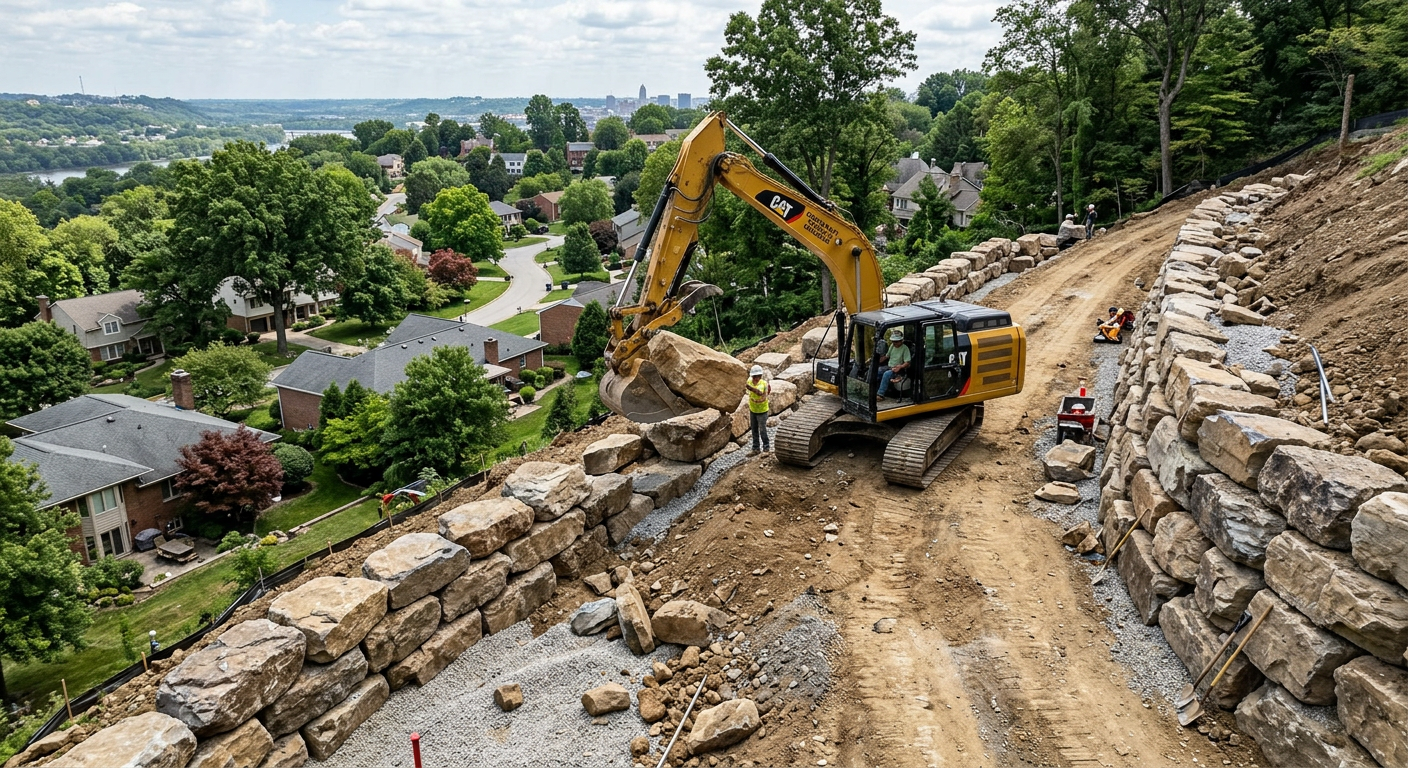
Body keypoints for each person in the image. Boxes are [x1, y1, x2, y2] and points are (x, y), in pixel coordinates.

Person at [876, 328, 912, 402]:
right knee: (877, 371)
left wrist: (900, 366)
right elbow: (887, 356)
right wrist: (876, 361)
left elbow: (907, 362)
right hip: (889, 367)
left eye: (896, 341)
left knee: (886, 374)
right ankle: (875, 391)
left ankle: (880, 394)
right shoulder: (892, 346)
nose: (894, 343)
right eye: (893, 341)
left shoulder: (905, 349)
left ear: (901, 340)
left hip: (899, 370)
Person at [745, 364, 771, 455]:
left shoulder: (763, 384)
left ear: (760, 376)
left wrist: (751, 388)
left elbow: (760, 393)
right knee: (754, 429)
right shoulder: (749, 381)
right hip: (753, 409)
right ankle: (756, 448)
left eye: (758, 376)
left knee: (762, 430)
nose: (756, 378)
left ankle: (766, 448)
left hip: (762, 411)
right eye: (755, 376)